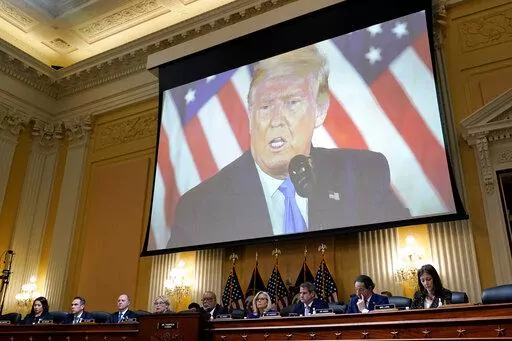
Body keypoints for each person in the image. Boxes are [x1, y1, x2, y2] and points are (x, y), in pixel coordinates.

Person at [168, 45, 409, 248]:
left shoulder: (363, 174)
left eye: (292, 103)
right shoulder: (199, 206)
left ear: (320, 110)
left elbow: (396, 241)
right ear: (250, 114)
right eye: (265, 107)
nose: (276, 120)